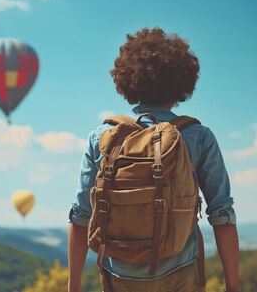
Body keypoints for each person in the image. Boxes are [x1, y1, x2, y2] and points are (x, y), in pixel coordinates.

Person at [68, 27, 240, 292]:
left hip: (120, 275)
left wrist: (73, 286)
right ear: (181, 83)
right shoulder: (198, 136)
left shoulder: (103, 136)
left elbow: (80, 216)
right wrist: (233, 285)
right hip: (180, 271)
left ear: (128, 80)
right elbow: (222, 214)